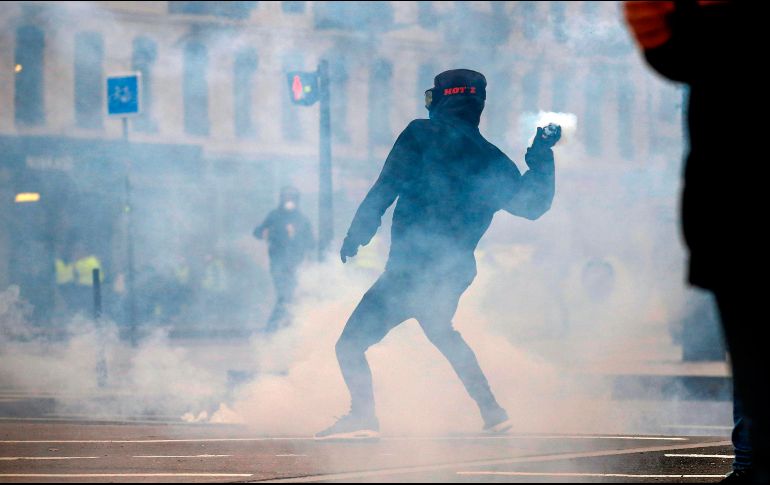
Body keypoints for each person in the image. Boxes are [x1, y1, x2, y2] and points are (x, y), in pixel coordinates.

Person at [317, 69, 561, 439]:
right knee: (442, 333)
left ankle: (363, 414)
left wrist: (358, 233)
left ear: (442, 98)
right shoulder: (493, 160)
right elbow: (533, 205)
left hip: (409, 270)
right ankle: (492, 410)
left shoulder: (421, 133)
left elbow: (386, 185)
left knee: (349, 345)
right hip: (453, 269)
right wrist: (542, 154)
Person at [624, 2, 766, 482]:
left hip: (736, 230)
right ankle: (751, 464)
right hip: (733, 231)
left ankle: (752, 465)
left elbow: (676, 50)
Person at [253, 186, 314, 332]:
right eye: (286, 197)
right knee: (284, 295)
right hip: (278, 262)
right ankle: (273, 328)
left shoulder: (302, 219)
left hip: (294, 264)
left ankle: (281, 327)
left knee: (288, 296)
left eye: (292, 197)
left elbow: (311, 242)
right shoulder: (274, 216)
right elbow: (257, 232)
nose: (289, 201)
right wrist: (266, 233)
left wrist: (303, 247)